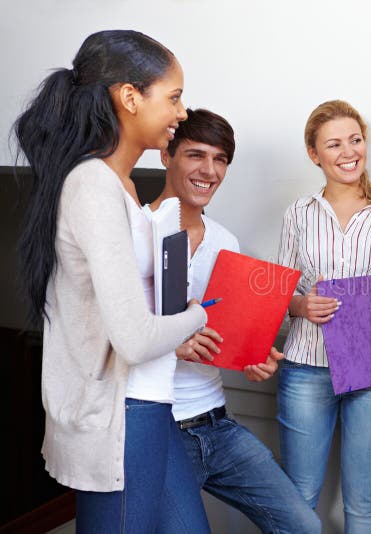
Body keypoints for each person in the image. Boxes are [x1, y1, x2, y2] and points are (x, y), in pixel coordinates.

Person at [14, 30, 211, 532]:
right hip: (122, 414)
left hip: (149, 401)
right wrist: (197, 313)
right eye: (173, 97)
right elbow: (134, 337)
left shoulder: (120, 186)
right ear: (129, 97)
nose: (181, 112)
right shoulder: (93, 185)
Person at [146, 108, 321, 534]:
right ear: (166, 156)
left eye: (220, 159)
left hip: (217, 425)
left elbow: (225, 336)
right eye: (195, 155)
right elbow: (111, 332)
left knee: (304, 527)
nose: (210, 170)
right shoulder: (138, 231)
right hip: (159, 430)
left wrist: (251, 355)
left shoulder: (226, 242)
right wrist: (173, 339)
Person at [277, 99, 371, 533]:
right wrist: (302, 305)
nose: (348, 152)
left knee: (365, 500)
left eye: (355, 140)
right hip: (305, 367)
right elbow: (283, 290)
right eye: (334, 144)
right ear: (314, 154)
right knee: (298, 496)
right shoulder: (299, 213)